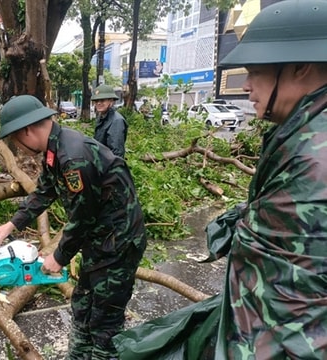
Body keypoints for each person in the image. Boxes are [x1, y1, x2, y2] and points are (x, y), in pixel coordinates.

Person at [113, 0, 327, 359]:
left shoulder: (311, 160)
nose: (245, 86)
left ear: (300, 67)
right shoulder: (302, 135)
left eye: (253, 71)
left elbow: (289, 323)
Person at [0, 94, 147, 359]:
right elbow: (45, 191)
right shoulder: (55, 150)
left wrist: (59, 257)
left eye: (15, 141)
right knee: (83, 305)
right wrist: (12, 224)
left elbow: (83, 217)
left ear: (27, 131)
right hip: (99, 241)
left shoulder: (73, 157)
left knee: (104, 323)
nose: (18, 148)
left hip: (118, 244)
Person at [91, 84, 128, 158]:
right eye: (96, 100)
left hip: (108, 165)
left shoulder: (117, 121)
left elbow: (117, 153)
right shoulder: (101, 117)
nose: (98, 103)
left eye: (102, 100)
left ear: (111, 101)